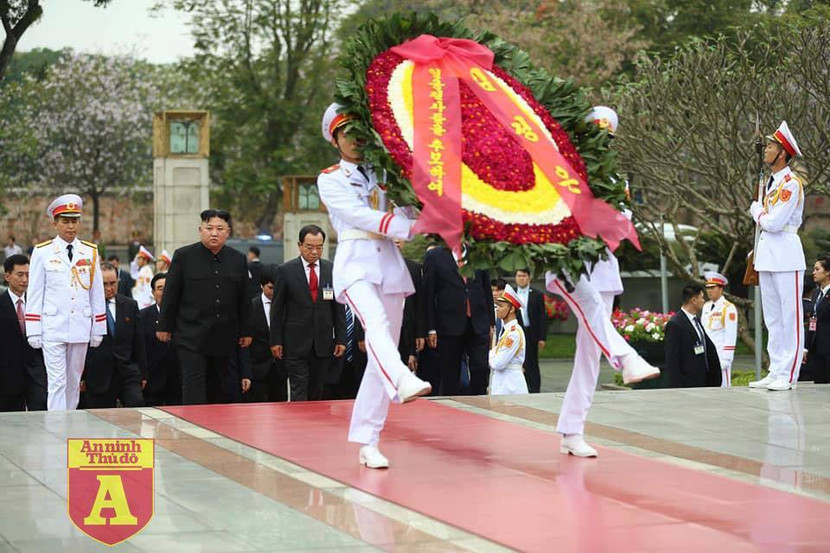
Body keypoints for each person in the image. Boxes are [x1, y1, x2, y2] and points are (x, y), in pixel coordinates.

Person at [316, 102, 432, 469]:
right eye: (345, 132)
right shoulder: (330, 178)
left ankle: (368, 439)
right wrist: (406, 227)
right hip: (355, 263)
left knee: (379, 354)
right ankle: (402, 376)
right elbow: (358, 214)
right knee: (376, 327)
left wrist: (424, 204)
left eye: (358, 131)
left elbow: (410, 210)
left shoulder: (386, 171)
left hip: (390, 265)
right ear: (334, 139)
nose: (353, 139)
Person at [549, 106, 659, 458]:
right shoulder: (563, 167)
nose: (601, 145)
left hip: (602, 264)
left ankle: (572, 429)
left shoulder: (614, 178)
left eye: (606, 139)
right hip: (570, 262)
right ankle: (628, 357)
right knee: (593, 311)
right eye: (595, 137)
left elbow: (622, 220)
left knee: (589, 354)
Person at [157, 209, 253, 405]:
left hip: (224, 335)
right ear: (200, 230)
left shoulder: (237, 259)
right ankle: (193, 430)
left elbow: (244, 299)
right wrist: (164, 326)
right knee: (194, 387)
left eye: (220, 228)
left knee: (220, 387)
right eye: (209, 228)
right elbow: (171, 294)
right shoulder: (184, 256)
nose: (214, 233)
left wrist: (246, 331)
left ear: (228, 232)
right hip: (191, 335)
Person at [25, 194, 106, 411]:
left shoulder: (90, 251)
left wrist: (98, 327)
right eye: (65, 221)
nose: (70, 226)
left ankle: (70, 423)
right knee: (57, 381)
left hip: (80, 324)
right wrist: (33, 329)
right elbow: (34, 293)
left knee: (73, 381)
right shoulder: (42, 252)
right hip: (52, 326)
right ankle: (57, 426)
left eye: (74, 221)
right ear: (55, 223)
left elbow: (96, 292)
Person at [748, 121, 806, 391]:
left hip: (786, 253)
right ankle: (775, 369)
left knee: (790, 316)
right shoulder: (771, 183)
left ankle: (789, 374)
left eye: (770, 147)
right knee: (772, 317)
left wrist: (757, 211)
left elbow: (774, 222)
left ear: (782, 152)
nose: (766, 150)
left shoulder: (791, 184)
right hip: (769, 254)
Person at [269, 225, 346, 401]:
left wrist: (341, 338)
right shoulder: (285, 271)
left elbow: (338, 307)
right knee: (299, 388)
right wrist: (276, 340)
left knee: (317, 390)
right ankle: (297, 424)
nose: (314, 252)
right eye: (309, 247)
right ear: (300, 245)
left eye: (319, 247)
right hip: (295, 343)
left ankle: (314, 427)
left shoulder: (331, 269)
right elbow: (277, 309)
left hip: (323, 342)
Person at [422, 243, 494, 395]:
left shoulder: (479, 254)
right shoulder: (435, 256)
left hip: (478, 322)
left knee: (481, 368)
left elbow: (486, 289)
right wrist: (431, 327)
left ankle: (477, 405)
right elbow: (428, 294)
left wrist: (491, 322)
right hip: (449, 324)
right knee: (451, 373)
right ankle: (452, 408)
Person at [80, 263, 146, 408]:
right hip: (98, 377)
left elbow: (138, 342)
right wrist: (81, 376)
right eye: (104, 284)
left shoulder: (130, 305)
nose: (109, 288)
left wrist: (142, 374)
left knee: (136, 409)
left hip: (127, 373)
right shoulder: (84, 307)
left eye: (113, 283)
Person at [0, 254, 47, 411]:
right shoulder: (2, 303)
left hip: (36, 373)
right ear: (7, 276)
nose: (25, 280)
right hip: (7, 376)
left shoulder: (40, 303)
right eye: (20, 275)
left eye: (28, 275)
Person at [664, 284, 722, 388]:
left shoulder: (696, 320)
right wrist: (676, 388)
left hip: (703, 382)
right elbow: (672, 359)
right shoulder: (675, 324)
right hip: (687, 384)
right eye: (701, 297)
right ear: (694, 300)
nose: (704, 300)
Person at [140, 272, 181, 406]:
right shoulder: (142, 316)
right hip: (152, 381)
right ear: (153, 292)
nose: (164, 292)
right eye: (160, 288)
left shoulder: (183, 316)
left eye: (167, 288)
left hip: (178, 380)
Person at [247, 271, 288, 402]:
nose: (274, 292)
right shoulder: (251, 306)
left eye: (277, 288)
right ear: (261, 286)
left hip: (280, 366)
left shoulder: (287, 306)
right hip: (257, 367)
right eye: (270, 288)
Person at [489, 284, 530, 396]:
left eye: (501, 306)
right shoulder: (506, 330)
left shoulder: (513, 333)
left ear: (511, 309)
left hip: (510, 385)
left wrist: (490, 355)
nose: (497, 309)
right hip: (503, 383)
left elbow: (498, 363)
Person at [701, 271, 738, 387]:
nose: (709, 291)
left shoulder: (728, 308)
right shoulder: (706, 306)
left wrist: (727, 358)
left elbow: (731, 335)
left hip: (721, 354)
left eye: (712, 288)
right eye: (707, 288)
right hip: (708, 353)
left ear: (721, 289)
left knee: (723, 385)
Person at [514, 269, 547, 393]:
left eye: (524, 276)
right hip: (517, 331)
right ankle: (520, 387)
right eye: (519, 276)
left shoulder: (537, 294)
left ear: (529, 278)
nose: (521, 278)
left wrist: (542, 337)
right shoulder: (512, 293)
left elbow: (542, 317)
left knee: (532, 362)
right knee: (518, 361)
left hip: (531, 332)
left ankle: (534, 388)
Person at [804, 256, 830, 384]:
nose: (814, 273)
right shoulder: (815, 294)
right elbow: (812, 321)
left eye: (817, 269)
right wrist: (806, 347)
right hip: (816, 349)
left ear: (827, 272)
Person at [131, 245, 155, 310]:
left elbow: (148, 287)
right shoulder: (142, 270)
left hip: (144, 301)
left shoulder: (147, 271)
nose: (138, 261)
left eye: (140, 259)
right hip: (140, 299)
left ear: (145, 260)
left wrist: (148, 302)